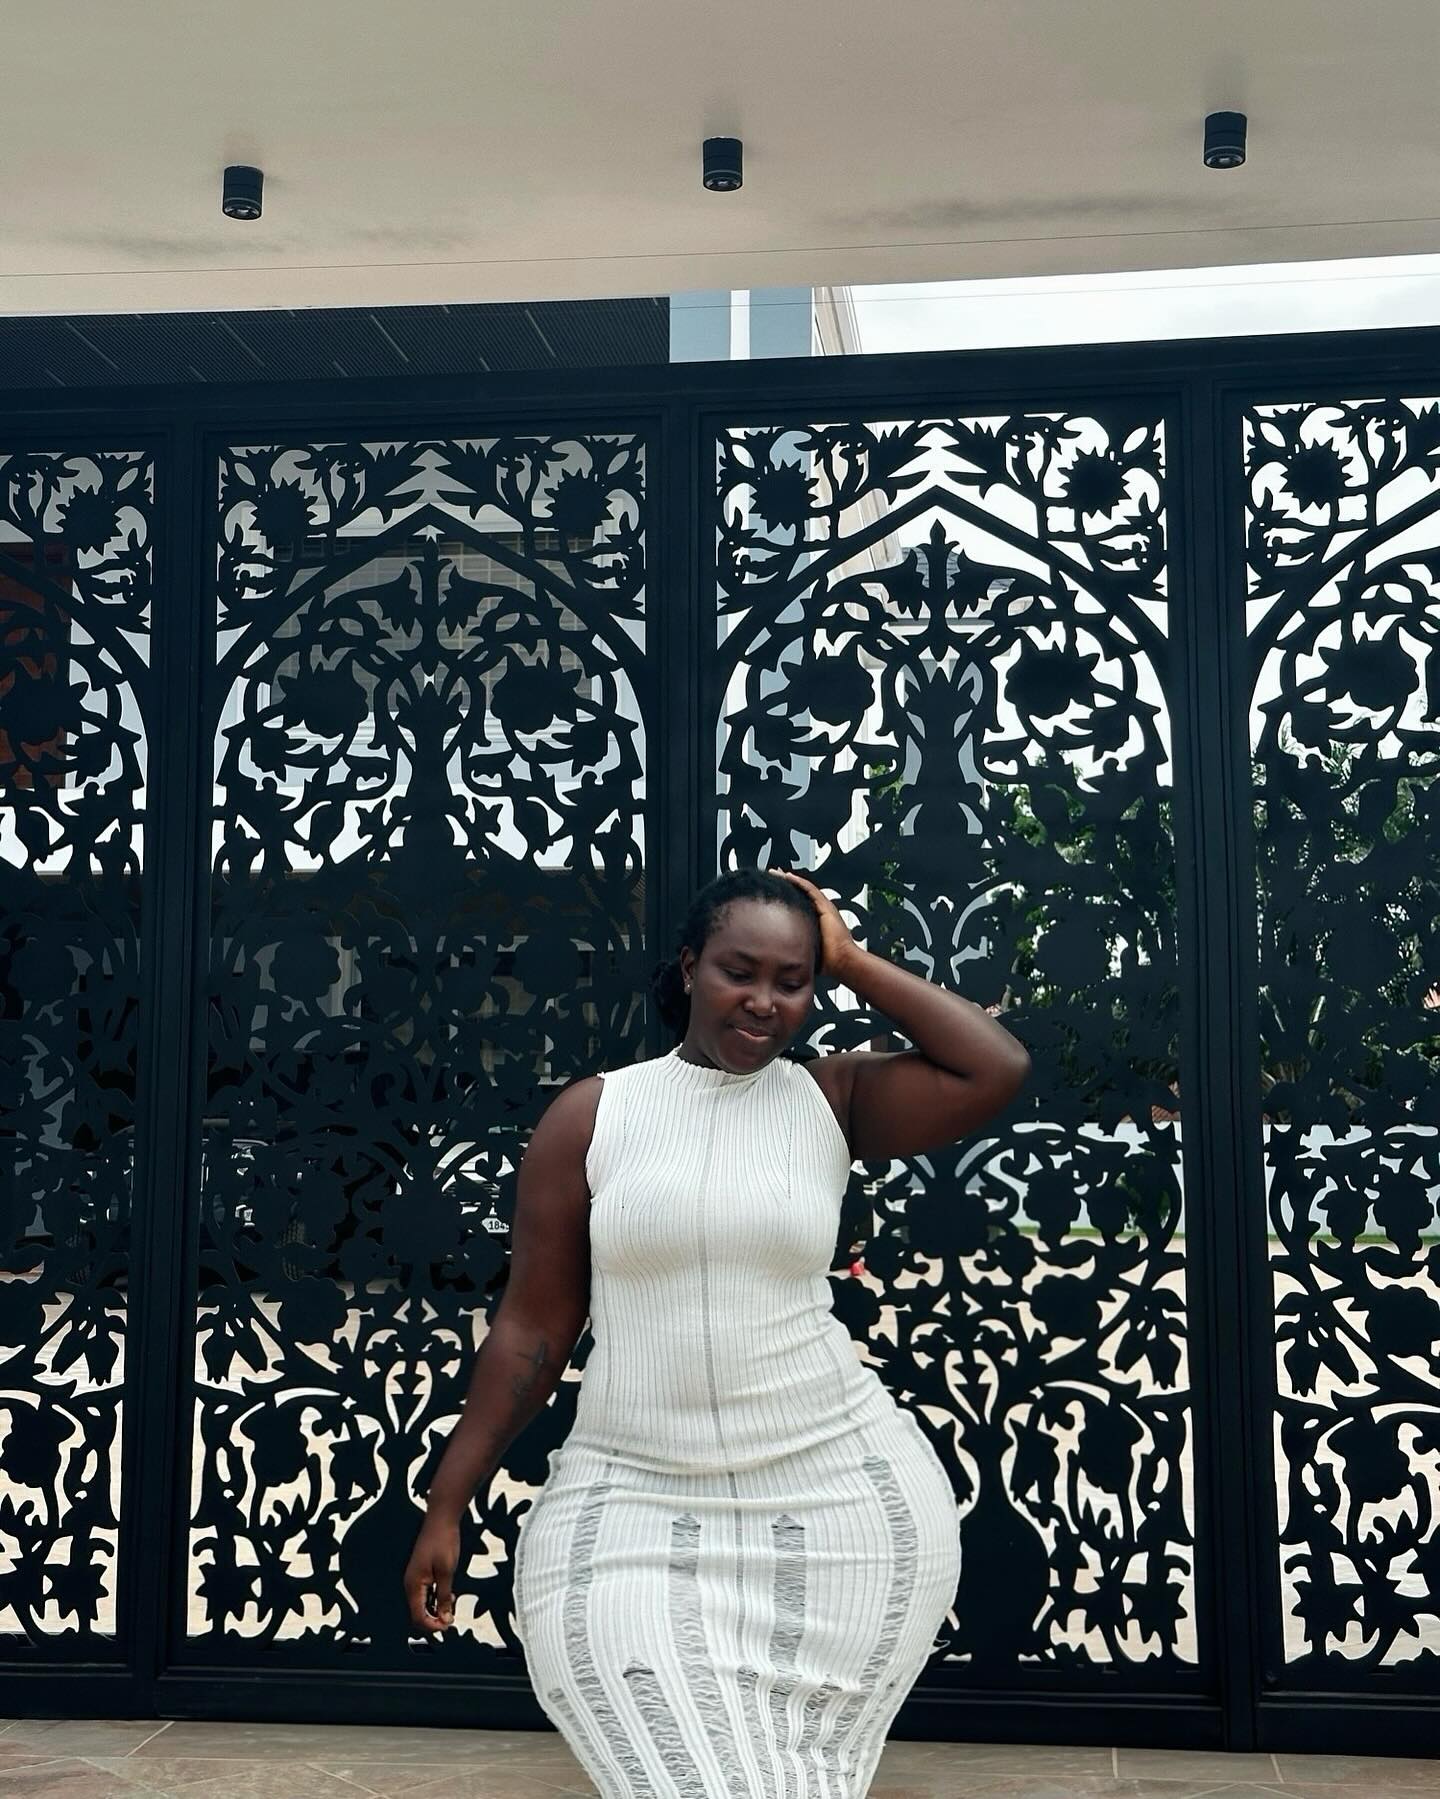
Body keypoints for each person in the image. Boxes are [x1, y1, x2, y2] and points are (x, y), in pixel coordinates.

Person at [404, 866, 1030, 1797]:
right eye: (741, 971)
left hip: (839, 1508)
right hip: (631, 1505)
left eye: (792, 980)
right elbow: (532, 1326)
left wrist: (851, 958)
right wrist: (448, 1503)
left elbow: (995, 1066)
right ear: (691, 964)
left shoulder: (831, 1100)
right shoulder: (594, 1115)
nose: (764, 1001)